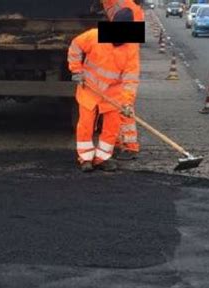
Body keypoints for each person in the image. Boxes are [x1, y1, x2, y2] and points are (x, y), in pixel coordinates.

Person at [68, 8, 140, 172]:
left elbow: (131, 78)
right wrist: (76, 70)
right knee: (86, 124)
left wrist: (128, 103)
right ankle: (85, 158)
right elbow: (75, 47)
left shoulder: (131, 47)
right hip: (90, 88)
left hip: (113, 93)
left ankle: (103, 158)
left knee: (111, 127)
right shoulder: (94, 35)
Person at [101, 0, 144, 160]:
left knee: (124, 103)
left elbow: (130, 78)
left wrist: (126, 100)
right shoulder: (131, 7)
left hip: (126, 33)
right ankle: (120, 143)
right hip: (123, 30)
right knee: (115, 103)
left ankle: (130, 146)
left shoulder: (129, 10)